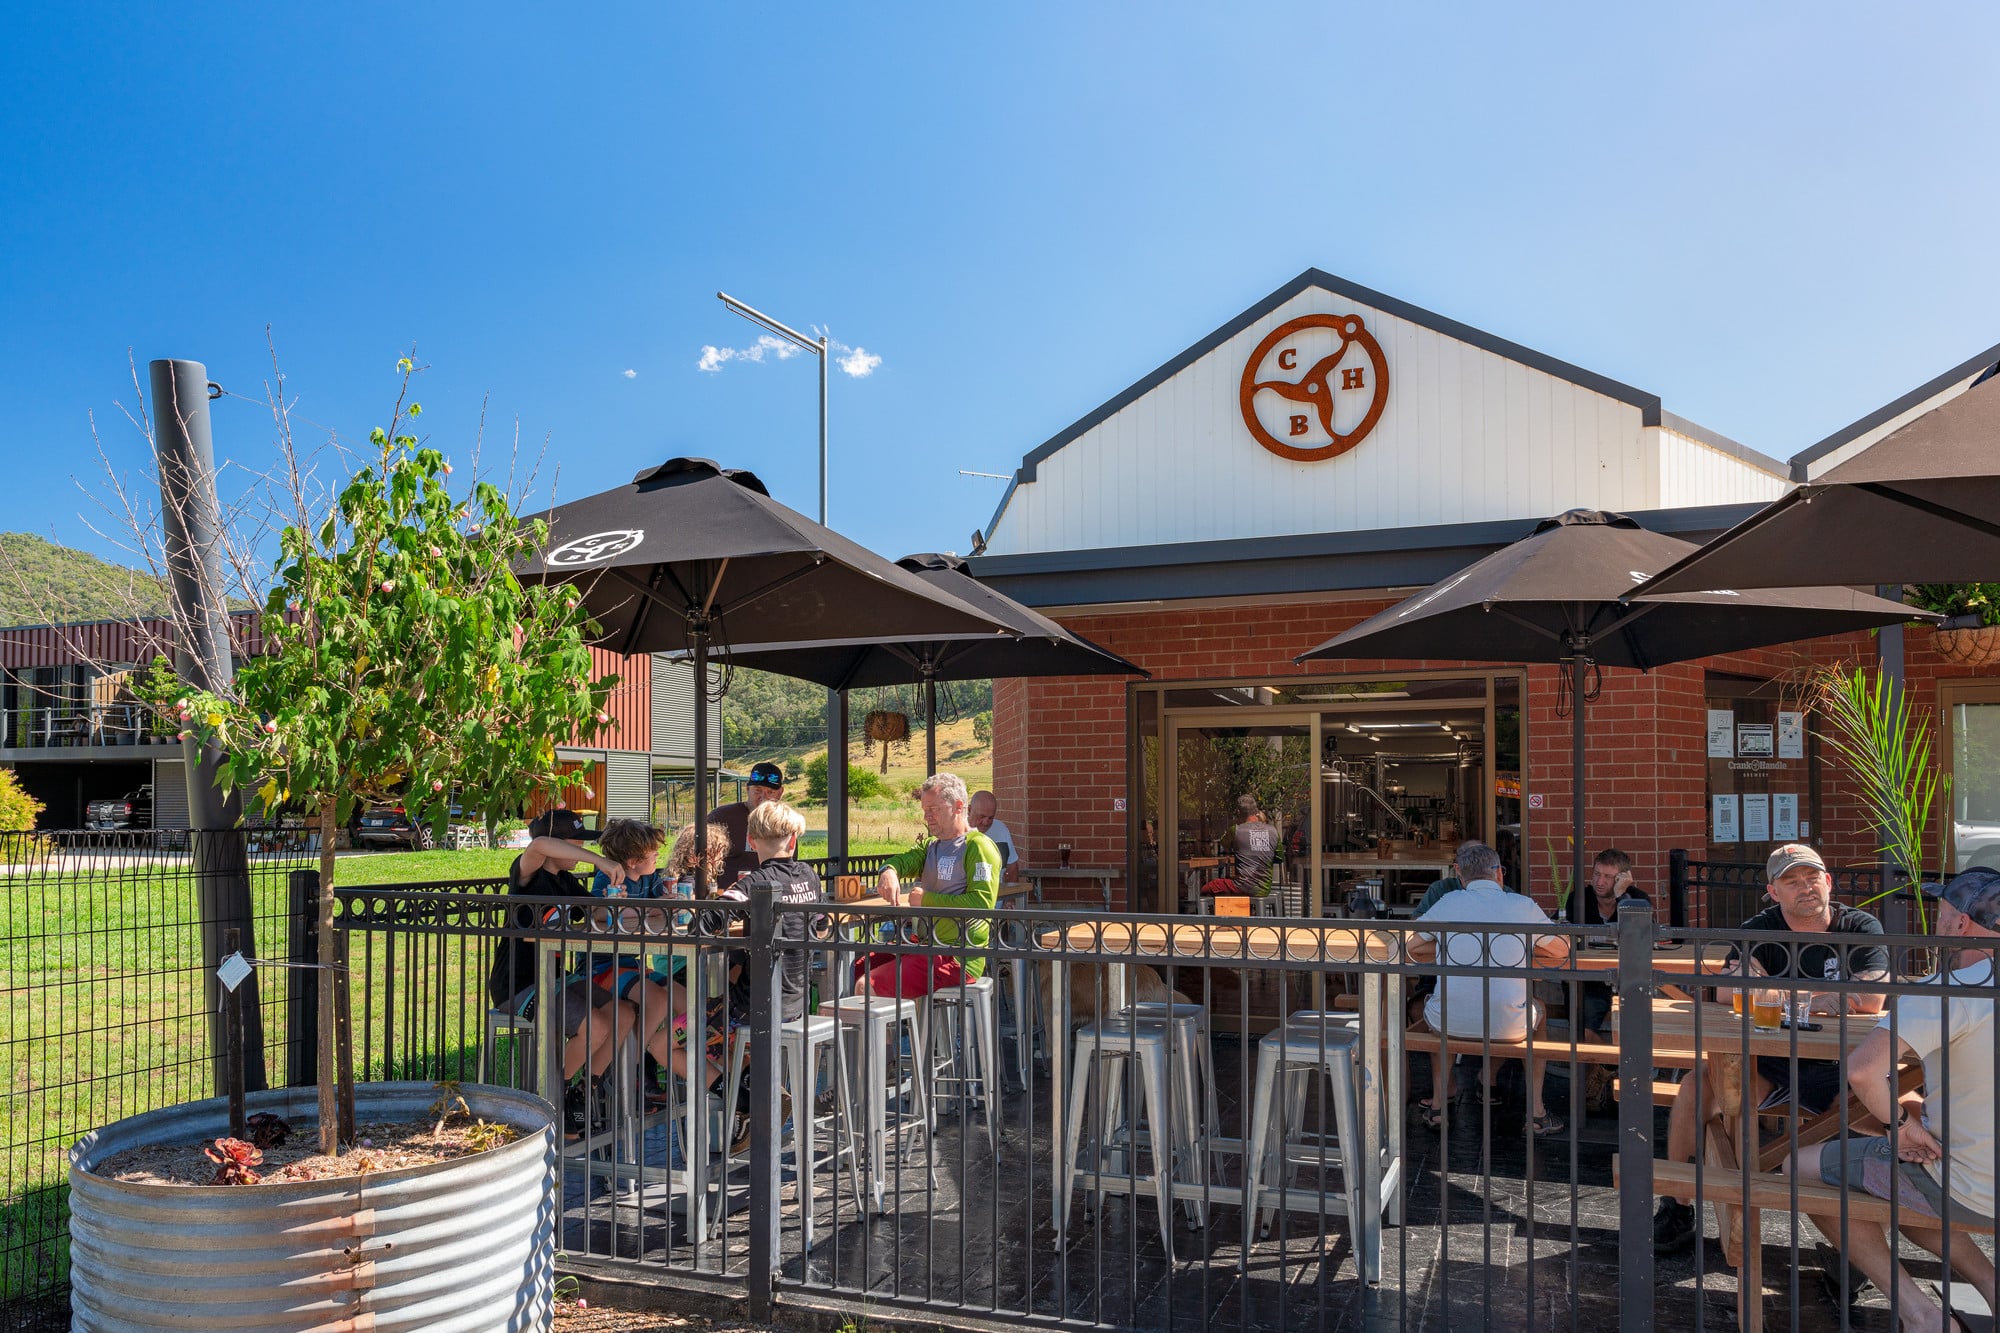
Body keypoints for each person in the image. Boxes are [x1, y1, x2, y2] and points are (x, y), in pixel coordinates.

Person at [1785, 867, 2000, 1333]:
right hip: (1970, 1168)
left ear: (1958, 924)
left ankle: (1921, 1316)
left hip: (1970, 1184)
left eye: (1941, 909)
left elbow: (1862, 1072)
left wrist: (1900, 1126)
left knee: (1794, 1169)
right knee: (1898, 1178)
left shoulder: (1949, 989)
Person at [1653, 842, 1889, 1253]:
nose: (1806, 887)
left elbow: (1870, 999)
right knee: (1695, 1086)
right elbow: (1729, 995)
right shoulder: (1758, 929)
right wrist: (1823, 999)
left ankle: (1857, 1247)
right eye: (1792, 881)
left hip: (1844, 1069)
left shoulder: (1860, 928)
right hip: (1772, 1067)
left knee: (1888, 1114)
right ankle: (1678, 1206)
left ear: (1828, 882)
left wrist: (1773, 990)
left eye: (1813, 877)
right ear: (1774, 891)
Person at [1408, 840, 1572, 1137]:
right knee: (1540, 1011)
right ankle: (1536, 1112)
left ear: (1460, 874)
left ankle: (1437, 1106)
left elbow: (1411, 944)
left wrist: (1447, 944)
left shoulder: (1448, 903)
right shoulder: (1522, 905)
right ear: (1499, 873)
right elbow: (1561, 950)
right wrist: (1524, 949)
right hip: (1510, 1027)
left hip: (1449, 1023)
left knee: (1437, 1006)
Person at [861, 772, 1000, 997]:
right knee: (856, 967)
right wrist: (888, 870)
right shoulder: (930, 845)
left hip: (957, 956)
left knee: (868, 985)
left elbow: (981, 904)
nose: (927, 817)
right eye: (925, 810)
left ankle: (895, 1031)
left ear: (957, 806)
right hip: (924, 945)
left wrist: (927, 900)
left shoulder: (978, 846)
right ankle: (898, 1028)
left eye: (933, 809)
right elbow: (903, 860)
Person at [736, 800, 823, 1023]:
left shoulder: (754, 882)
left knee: (666, 1042)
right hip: (796, 1003)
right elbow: (821, 924)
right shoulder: (809, 876)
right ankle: (749, 1058)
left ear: (751, 842)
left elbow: (705, 921)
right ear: (793, 839)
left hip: (752, 1006)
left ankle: (743, 1057)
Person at [1563, 848, 1652, 1040]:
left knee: (1640, 1026)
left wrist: (1621, 895)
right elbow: (1560, 932)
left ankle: (1615, 1065)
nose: (1599, 882)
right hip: (1589, 980)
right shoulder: (1579, 899)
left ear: (1622, 879)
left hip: (1629, 979)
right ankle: (1606, 1066)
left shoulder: (1637, 899)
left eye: (1608, 877)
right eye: (1596, 874)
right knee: (1581, 1032)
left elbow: (1642, 935)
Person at [708, 761, 785, 886]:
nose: (763, 797)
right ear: (747, 789)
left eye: (770, 792)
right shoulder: (720, 817)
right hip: (727, 898)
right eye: (757, 791)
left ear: (780, 793)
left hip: (769, 897)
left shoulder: (785, 823)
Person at [1227, 794, 1282, 896]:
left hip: (1242, 886)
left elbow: (1224, 845)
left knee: (1207, 888)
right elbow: (1279, 858)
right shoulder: (1273, 831)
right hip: (1264, 888)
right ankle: (1251, 911)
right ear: (1257, 812)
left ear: (1238, 813)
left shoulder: (1236, 830)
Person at [969, 790, 1021, 880]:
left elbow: (1012, 868)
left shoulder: (1001, 829)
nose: (986, 822)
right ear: (969, 810)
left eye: (990, 818)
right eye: (981, 816)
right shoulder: (955, 832)